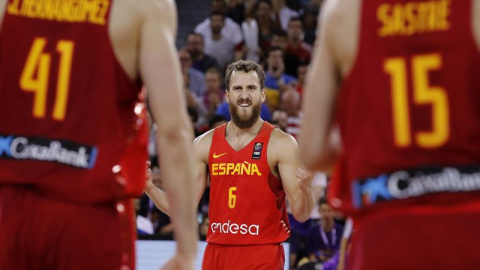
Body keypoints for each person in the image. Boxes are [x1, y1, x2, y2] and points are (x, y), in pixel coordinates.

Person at [0, 0, 198, 269]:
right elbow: (173, 129)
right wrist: (187, 251)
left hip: (10, 210)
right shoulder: (143, 6)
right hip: (90, 214)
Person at [300, 0, 480, 269]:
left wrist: (375, 149)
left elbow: (312, 150)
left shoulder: (342, 13)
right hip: (469, 216)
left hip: (384, 228)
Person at [145, 60, 315, 269]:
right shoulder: (203, 144)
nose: (244, 95)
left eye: (251, 88)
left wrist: (306, 189)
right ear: (227, 95)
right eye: (238, 88)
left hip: (262, 252)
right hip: (217, 253)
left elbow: (301, 213)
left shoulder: (282, 144)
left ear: (262, 94)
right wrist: (149, 187)